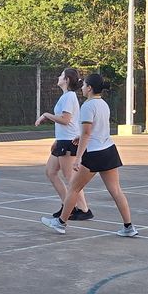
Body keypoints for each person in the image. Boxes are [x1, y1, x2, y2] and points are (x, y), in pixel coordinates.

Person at [41, 73, 136, 237]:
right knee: (116, 190)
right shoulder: (103, 104)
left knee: (73, 188)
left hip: (94, 154)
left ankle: (61, 223)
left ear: (90, 88)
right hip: (109, 150)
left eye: (84, 85)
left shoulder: (87, 106)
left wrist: (78, 158)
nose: (82, 88)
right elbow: (96, 129)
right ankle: (129, 227)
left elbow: (87, 133)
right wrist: (80, 136)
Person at [35, 68, 93, 221]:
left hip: (68, 142)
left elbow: (66, 120)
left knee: (71, 178)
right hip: (63, 140)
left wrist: (46, 115)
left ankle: (84, 209)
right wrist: (57, 139)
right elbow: (69, 122)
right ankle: (68, 205)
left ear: (66, 80)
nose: (58, 77)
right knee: (50, 172)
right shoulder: (66, 96)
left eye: (61, 75)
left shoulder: (69, 97)